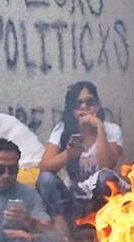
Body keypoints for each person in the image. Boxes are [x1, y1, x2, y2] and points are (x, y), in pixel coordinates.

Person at [37, 81, 126, 220]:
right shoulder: (61, 130)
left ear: (97, 105)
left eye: (89, 102)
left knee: (105, 177)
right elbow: (44, 167)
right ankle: (63, 231)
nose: (84, 107)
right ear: (72, 110)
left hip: (101, 195)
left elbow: (107, 165)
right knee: (45, 179)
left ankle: (100, 226)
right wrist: (69, 154)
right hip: (71, 197)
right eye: (78, 104)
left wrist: (99, 127)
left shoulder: (111, 130)